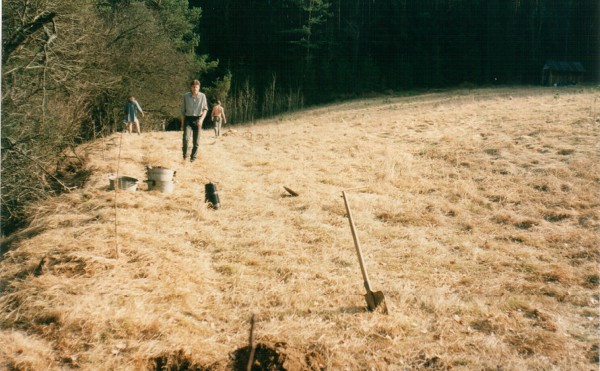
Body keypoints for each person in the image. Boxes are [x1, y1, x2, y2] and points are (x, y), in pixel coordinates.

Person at [180, 80, 208, 162]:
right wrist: (182, 123)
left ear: (199, 87)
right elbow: (182, 110)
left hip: (198, 119)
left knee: (196, 142)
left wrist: (201, 120)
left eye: (196, 87)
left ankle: (193, 158)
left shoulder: (202, 96)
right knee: (185, 139)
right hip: (188, 119)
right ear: (191, 87)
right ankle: (185, 156)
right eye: (193, 87)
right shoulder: (186, 96)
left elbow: (205, 109)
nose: (195, 88)